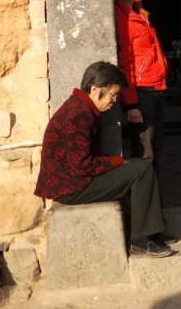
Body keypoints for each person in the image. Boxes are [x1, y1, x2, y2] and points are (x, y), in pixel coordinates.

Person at [34, 61, 172, 257]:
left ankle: (152, 233)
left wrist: (117, 162)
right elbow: (82, 165)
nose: (114, 100)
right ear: (95, 89)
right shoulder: (78, 114)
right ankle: (141, 240)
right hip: (70, 187)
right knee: (141, 171)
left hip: (75, 181)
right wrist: (116, 162)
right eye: (113, 94)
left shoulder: (82, 108)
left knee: (141, 166)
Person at [114, 0, 169, 172]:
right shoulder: (122, 17)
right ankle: (145, 202)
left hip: (155, 88)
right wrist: (131, 103)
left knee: (156, 147)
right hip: (142, 92)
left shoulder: (139, 15)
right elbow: (124, 62)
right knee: (145, 152)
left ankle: (153, 200)